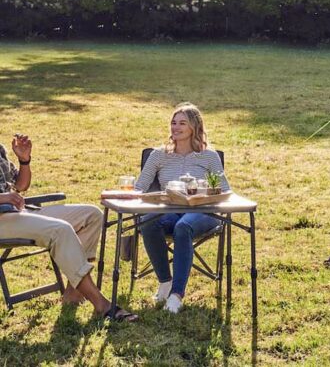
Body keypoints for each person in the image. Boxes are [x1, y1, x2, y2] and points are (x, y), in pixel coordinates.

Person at [0, 133, 137, 321]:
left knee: (91, 215)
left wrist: (24, 161)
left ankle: (73, 293)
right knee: (61, 230)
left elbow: (20, 186)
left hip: (19, 213)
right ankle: (102, 305)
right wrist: (3, 198)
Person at [135, 103, 229, 313]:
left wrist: (204, 194)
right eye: (173, 122)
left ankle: (177, 295)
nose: (175, 127)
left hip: (204, 212)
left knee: (183, 226)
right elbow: (140, 187)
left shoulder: (209, 156)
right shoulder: (159, 155)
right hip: (170, 210)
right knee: (148, 223)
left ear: (194, 127)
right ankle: (165, 281)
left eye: (182, 123)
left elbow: (223, 189)